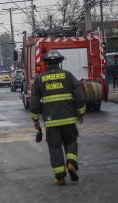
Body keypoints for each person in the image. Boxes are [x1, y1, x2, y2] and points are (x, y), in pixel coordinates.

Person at [30, 50, 86, 185]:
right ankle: (71, 162)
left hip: (51, 121)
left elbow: (35, 102)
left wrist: (35, 119)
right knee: (71, 142)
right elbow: (79, 96)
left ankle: (60, 177)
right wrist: (81, 112)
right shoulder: (68, 76)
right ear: (59, 63)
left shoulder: (39, 79)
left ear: (46, 64)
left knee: (55, 148)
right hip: (69, 119)